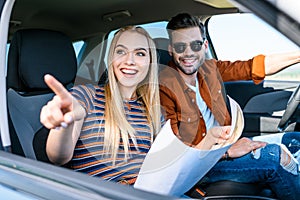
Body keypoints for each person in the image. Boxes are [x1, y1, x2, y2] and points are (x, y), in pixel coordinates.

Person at [159, 13, 300, 199]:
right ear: (171, 49)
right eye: (180, 46)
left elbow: (253, 67)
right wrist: (227, 152)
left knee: (295, 139)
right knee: (276, 158)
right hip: (200, 167)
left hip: (225, 147)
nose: (188, 53)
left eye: (196, 45)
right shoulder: (164, 87)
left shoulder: (209, 69)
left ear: (205, 46)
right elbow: (177, 152)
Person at [40, 26, 162, 185]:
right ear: (110, 59)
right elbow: (58, 157)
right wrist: (64, 123)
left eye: (140, 53)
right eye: (121, 52)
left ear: (150, 62)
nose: (129, 61)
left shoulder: (153, 109)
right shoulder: (85, 96)